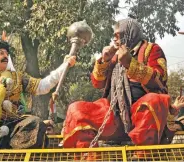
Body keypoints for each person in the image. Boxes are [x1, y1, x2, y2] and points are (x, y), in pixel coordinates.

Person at [63, 17, 181, 158]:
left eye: (117, 34)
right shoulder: (113, 56)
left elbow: (160, 80)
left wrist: (129, 63)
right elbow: (97, 83)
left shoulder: (152, 49)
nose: (114, 38)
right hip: (113, 115)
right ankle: (89, 159)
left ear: (130, 33)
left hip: (142, 115)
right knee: (76, 109)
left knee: (153, 100)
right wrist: (104, 60)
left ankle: (142, 158)